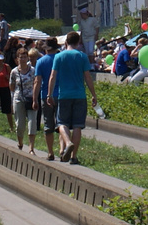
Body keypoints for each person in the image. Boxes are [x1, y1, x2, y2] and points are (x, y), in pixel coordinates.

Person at [49, 32, 97, 164]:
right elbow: (88, 77)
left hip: (64, 95)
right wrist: (93, 94)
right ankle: (73, 157)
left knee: (62, 123)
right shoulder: (82, 56)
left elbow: (52, 77)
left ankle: (68, 142)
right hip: (79, 95)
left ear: (66, 42)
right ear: (78, 42)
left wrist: (49, 94)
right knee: (77, 125)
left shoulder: (59, 56)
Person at [33, 40, 59, 160]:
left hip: (45, 96)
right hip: (61, 94)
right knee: (62, 124)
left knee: (48, 124)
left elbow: (37, 81)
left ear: (45, 48)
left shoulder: (40, 61)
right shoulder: (61, 59)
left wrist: (34, 99)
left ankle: (50, 152)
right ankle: (63, 150)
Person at [12, 48, 39, 151]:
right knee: (20, 124)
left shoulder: (33, 70)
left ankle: (31, 148)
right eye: (21, 57)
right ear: (17, 59)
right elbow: (12, 87)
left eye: (24, 57)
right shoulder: (14, 72)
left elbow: (37, 83)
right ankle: (20, 142)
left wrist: (35, 98)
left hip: (31, 99)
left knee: (32, 123)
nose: (23, 59)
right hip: (18, 100)